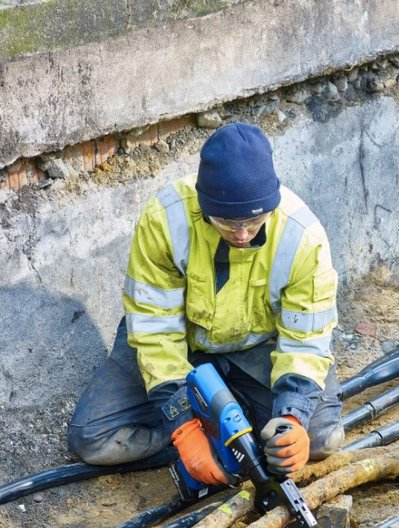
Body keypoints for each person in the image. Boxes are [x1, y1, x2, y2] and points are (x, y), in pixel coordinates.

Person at [68, 122, 344, 485]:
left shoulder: (302, 237)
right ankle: (216, 427)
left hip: (258, 349)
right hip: (182, 344)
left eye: (254, 220)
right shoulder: (165, 220)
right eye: (228, 222)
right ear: (204, 206)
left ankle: (237, 414)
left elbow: (305, 340)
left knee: (321, 438)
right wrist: (182, 426)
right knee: (92, 438)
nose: (242, 233)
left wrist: (292, 418)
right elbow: (155, 330)